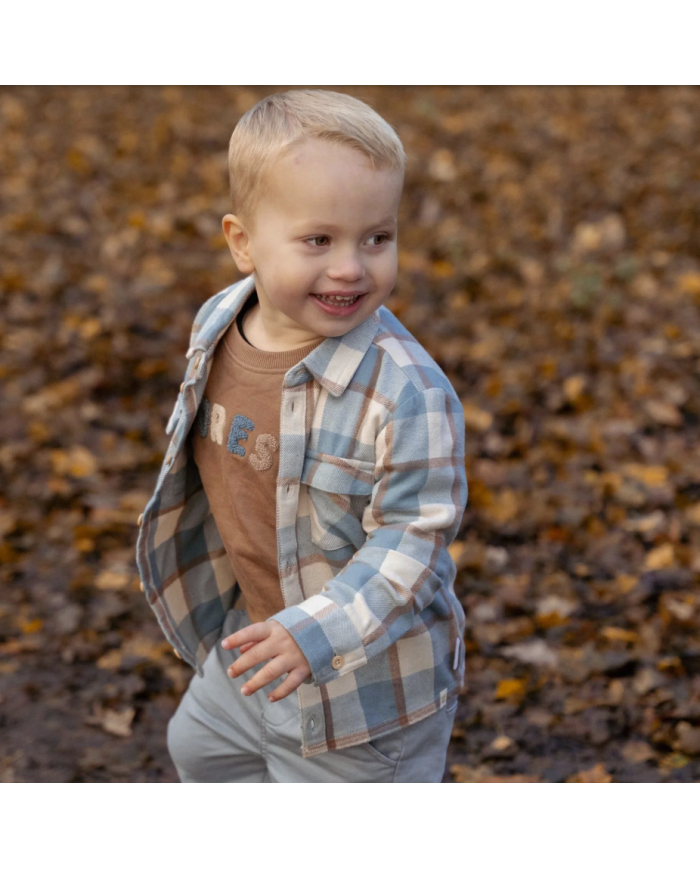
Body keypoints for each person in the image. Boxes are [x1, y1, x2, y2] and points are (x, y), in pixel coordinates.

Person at [136, 89, 468, 782]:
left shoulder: (408, 393)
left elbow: (414, 544)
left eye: (376, 238)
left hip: (362, 695)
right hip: (254, 641)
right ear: (243, 243)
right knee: (198, 750)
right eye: (319, 240)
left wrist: (313, 633)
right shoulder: (219, 324)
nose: (351, 266)